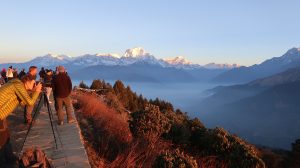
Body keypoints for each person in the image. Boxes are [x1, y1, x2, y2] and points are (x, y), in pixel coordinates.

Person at [0, 77, 42, 165]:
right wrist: (37, 91)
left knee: (6, 136)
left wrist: (33, 91)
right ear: (27, 82)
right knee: (3, 138)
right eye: (33, 83)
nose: (34, 85)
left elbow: (23, 102)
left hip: (1, 116)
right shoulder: (18, 84)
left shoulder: (17, 85)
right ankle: (4, 161)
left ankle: (10, 158)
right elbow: (29, 102)